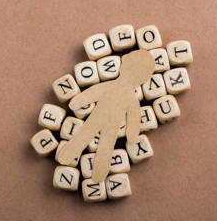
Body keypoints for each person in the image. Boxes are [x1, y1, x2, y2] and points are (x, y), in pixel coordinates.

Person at [58, 50, 155, 182]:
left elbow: (93, 93)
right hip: (107, 122)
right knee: (104, 146)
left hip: (101, 119)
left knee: (87, 137)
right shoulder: (131, 97)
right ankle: (97, 174)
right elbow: (134, 116)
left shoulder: (114, 87)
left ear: (123, 64)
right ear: (143, 78)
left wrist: (76, 102)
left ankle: (69, 159)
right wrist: (132, 135)